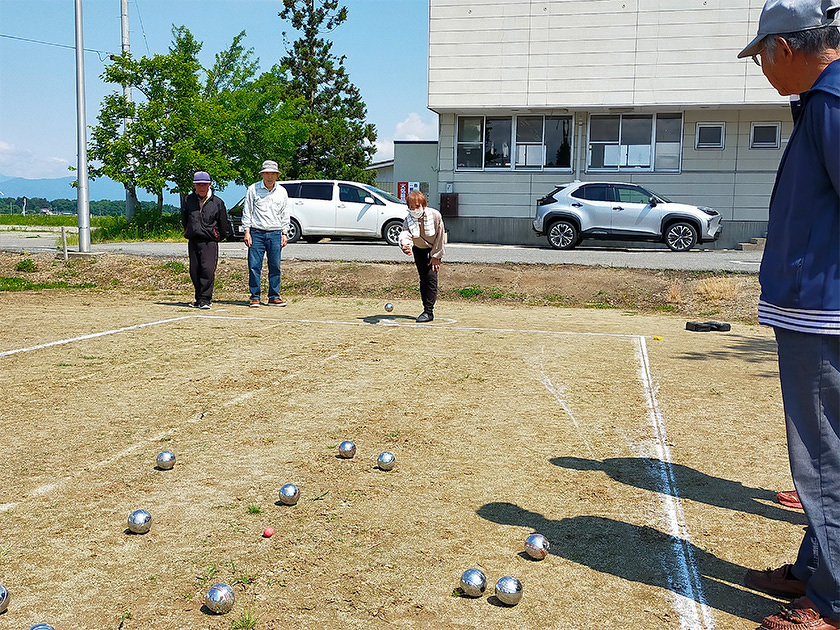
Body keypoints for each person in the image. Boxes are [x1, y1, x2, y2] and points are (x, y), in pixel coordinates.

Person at [737, 2, 840, 628]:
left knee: (823, 458)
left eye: (761, 59)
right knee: (825, 455)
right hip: (815, 308)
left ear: (784, 48)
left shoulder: (832, 104)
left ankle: (833, 601)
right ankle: (814, 570)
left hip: (822, 313)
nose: (763, 71)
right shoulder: (821, 103)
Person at [242, 160, 289, 308]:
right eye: (267, 173)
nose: (270, 177)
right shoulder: (253, 189)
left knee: (275, 266)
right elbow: (247, 211)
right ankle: (255, 296)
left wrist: (284, 233)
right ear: (262, 174)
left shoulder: (282, 192)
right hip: (256, 232)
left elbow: (285, 213)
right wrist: (246, 231)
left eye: (273, 174)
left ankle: (274, 296)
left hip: (275, 232)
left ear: (277, 175)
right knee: (254, 266)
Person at [180, 170, 231, 309]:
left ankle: (205, 299)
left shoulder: (218, 202)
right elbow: (185, 219)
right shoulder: (188, 200)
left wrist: (217, 236)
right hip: (194, 240)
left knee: (207, 270)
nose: (201, 187)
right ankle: (199, 298)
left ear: (209, 184)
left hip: (210, 241)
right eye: (198, 184)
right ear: (194, 185)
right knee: (194, 270)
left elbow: (223, 223)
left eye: (204, 184)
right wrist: (189, 230)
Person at [398, 190, 445, 323]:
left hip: (433, 250)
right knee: (423, 279)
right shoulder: (408, 219)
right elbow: (405, 234)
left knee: (431, 278)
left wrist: (436, 256)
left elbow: (440, 236)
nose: (414, 210)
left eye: (417, 206)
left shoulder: (435, 215)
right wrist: (405, 245)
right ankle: (425, 308)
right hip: (419, 250)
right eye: (411, 207)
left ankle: (429, 311)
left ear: (423, 205)